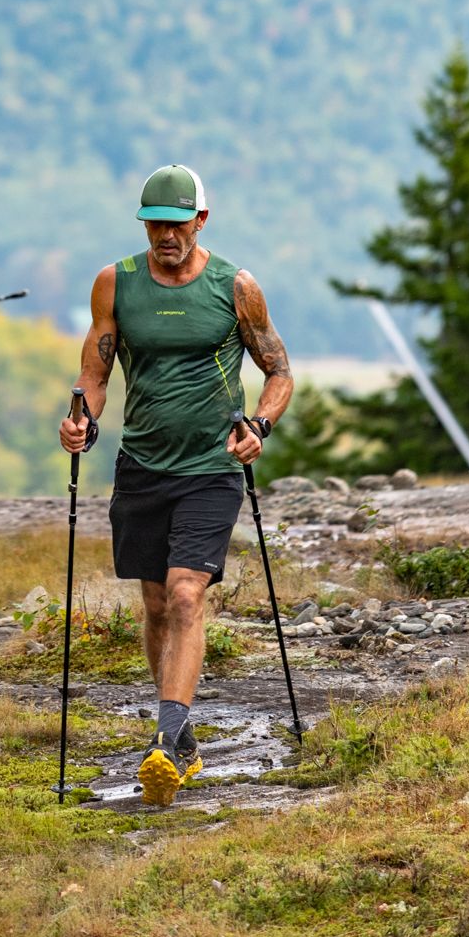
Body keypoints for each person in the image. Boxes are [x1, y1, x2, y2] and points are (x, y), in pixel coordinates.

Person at [59, 163, 294, 806]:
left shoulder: (235, 287)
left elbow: (279, 372)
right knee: (158, 605)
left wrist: (260, 425)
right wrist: (83, 419)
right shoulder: (116, 284)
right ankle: (182, 729)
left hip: (212, 468)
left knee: (189, 596)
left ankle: (163, 745)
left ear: (201, 220)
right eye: (155, 225)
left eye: (177, 224)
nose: (166, 236)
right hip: (142, 465)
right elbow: (95, 372)